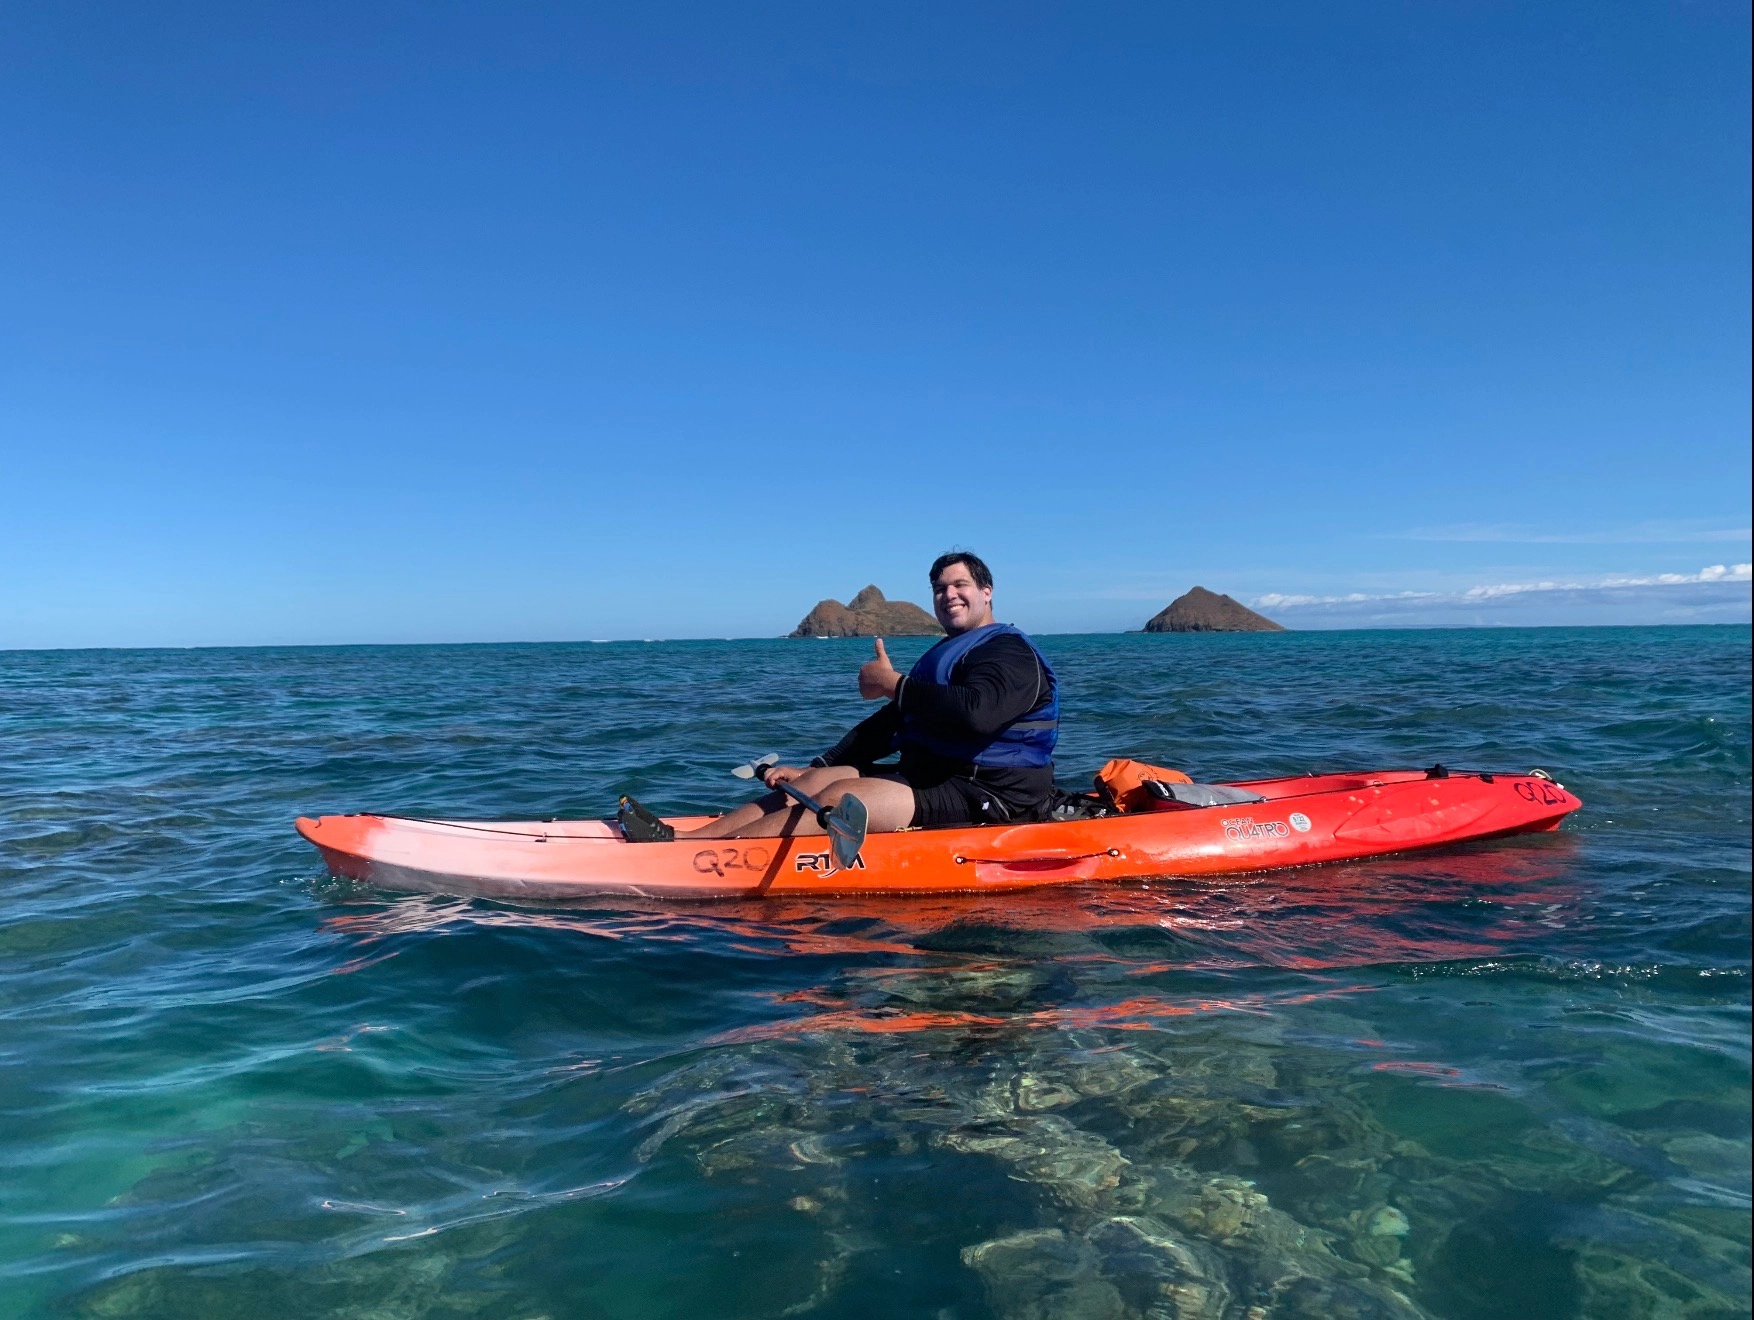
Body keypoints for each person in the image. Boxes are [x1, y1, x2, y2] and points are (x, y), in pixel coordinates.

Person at [618, 551, 1059, 842]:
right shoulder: (950, 652)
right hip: (935, 775)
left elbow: (978, 715)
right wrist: (816, 766)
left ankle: (707, 858)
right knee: (817, 783)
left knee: (843, 796)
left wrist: (893, 684)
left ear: (986, 592)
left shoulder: (1009, 653)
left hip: (991, 792)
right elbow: (888, 726)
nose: (949, 595)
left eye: (959, 585)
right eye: (940, 588)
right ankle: (686, 839)